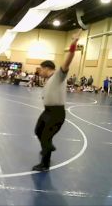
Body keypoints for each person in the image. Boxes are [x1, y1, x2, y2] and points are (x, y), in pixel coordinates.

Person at [32, 29, 82, 172]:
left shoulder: (59, 75)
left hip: (56, 113)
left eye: (40, 69)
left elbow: (69, 58)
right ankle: (48, 146)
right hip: (47, 111)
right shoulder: (48, 80)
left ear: (47, 68)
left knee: (46, 137)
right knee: (38, 131)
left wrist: (74, 42)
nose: (39, 72)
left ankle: (44, 164)